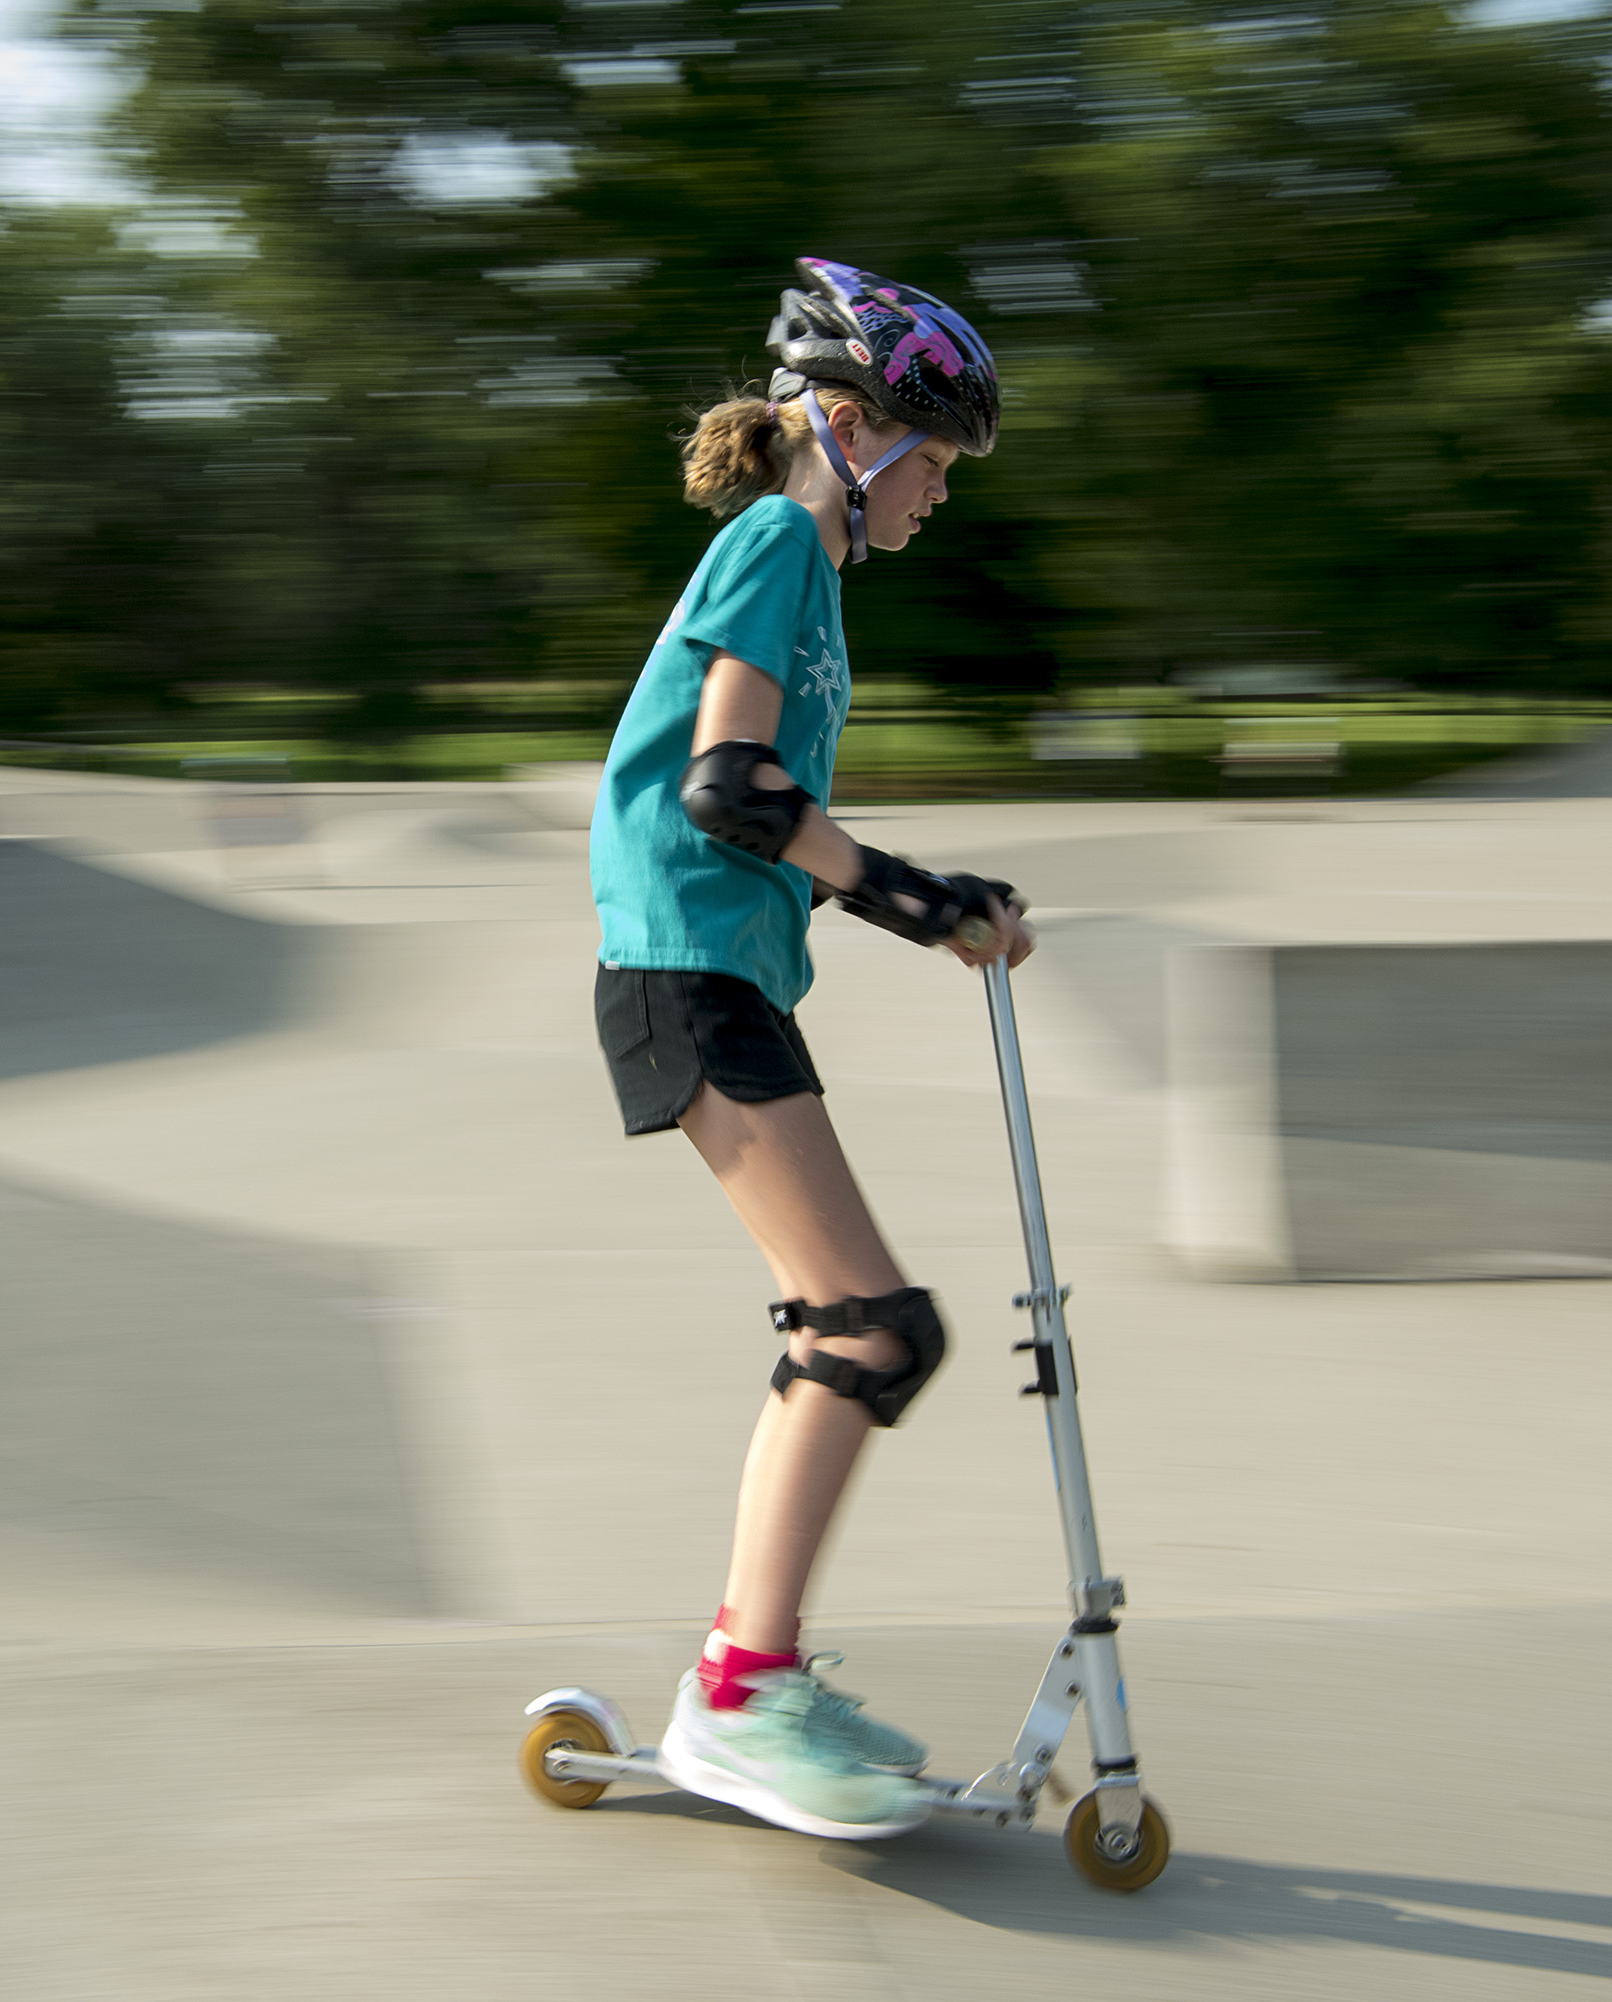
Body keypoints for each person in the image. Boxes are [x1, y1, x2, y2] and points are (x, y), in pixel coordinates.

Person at [588, 258, 1032, 1840]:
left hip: (722, 973)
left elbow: (768, 815)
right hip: (685, 971)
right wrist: (917, 896)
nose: (941, 494)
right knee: (874, 1327)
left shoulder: (807, 567)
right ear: (849, 426)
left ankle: (742, 1668)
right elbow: (731, 791)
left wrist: (924, 895)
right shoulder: (781, 537)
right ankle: (738, 1695)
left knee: (849, 1326)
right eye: (936, 461)